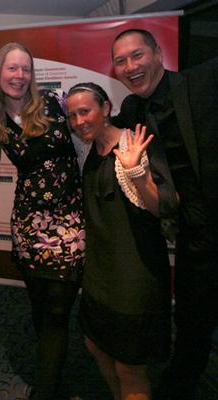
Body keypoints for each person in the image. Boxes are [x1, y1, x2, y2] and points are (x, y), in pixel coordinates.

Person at [111, 29, 218, 400]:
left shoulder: (205, 79)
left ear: (158, 53)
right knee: (191, 318)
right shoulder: (132, 110)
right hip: (193, 230)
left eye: (137, 55)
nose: (130, 66)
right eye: (121, 61)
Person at [0, 42, 85, 400]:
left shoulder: (55, 103)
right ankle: (54, 371)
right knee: (41, 306)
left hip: (70, 221)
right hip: (28, 224)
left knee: (58, 308)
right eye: (12, 68)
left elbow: (87, 141)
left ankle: (45, 389)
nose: (19, 75)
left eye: (25, 68)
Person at [66, 82, 172, 400]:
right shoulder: (90, 151)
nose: (79, 121)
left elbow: (162, 208)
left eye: (85, 111)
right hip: (100, 272)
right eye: (72, 115)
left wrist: (136, 172)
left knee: (130, 368)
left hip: (135, 276)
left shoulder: (133, 145)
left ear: (106, 108)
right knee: (95, 345)